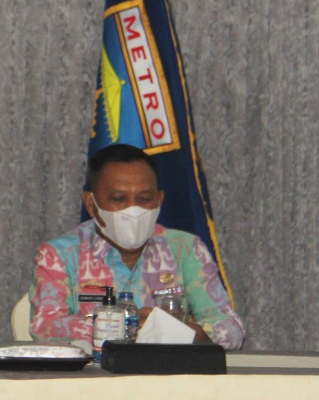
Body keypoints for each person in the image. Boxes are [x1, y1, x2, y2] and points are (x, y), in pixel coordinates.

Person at [29, 144, 244, 348]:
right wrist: (125, 325)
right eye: (119, 198)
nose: (133, 209)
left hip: (167, 373)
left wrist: (179, 331)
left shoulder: (185, 249)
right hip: (93, 372)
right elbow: (45, 327)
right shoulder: (60, 254)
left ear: (159, 200)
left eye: (144, 198)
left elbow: (231, 328)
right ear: (91, 204)